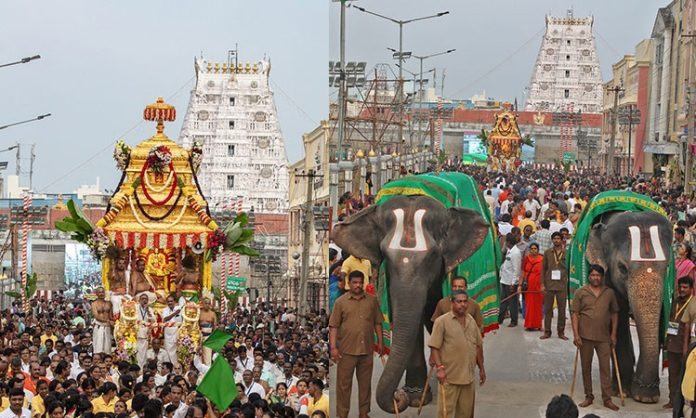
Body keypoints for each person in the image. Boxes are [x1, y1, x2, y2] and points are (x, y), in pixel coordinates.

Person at [329, 271, 383, 418]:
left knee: (365, 385)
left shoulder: (372, 301)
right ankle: (342, 414)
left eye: (360, 282)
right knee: (343, 386)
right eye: (355, 282)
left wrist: (380, 341)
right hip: (346, 351)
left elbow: (378, 322)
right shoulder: (340, 302)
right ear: (349, 283)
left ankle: (364, 413)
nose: (358, 285)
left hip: (367, 350)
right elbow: (333, 326)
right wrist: (333, 348)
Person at [570, 264, 620, 411]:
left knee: (605, 368)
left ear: (602, 277)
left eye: (598, 275)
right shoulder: (581, 292)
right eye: (593, 275)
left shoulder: (609, 293)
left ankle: (607, 399)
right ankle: (589, 396)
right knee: (586, 367)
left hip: (604, 337)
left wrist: (613, 334)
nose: (595, 278)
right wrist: (576, 335)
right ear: (589, 276)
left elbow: (614, 313)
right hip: (585, 337)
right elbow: (575, 314)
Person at [429, 290, 485, 418]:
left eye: (465, 301)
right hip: (449, 377)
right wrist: (440, 368)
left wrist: (482, 368)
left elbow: (478, 346)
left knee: (466, 413)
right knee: (445, 414)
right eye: (459, 301)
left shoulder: (471, 321)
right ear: (452, 303)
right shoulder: (441, 322)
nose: (462, 305)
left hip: (468, 378)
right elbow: (434, 347)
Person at [665, 276, 694, 409]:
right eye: (680, 287)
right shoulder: (675, 301)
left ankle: (683, 403)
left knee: (686, 377)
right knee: (673, 375)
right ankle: (672, 400)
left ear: (691, 288)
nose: (682, 290)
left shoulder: (692, 303)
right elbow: (672, 321)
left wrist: (686, 347)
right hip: (672, 343)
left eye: (685, 288)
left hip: (687, 347)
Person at [540, 232, 569, 340]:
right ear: (552, 240)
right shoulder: (547, 252)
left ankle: (561, 332)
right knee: (548, 310)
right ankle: (547, 331)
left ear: (562, 240)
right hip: (549, 285)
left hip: (562, 285)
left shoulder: (566, 253)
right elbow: (543, 269)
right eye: (554, 238)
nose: (556, 240)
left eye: (558, 238)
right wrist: (542, 284)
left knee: (562, 311)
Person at [498, 233, 522, 327]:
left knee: (512, 302)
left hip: (510, 282)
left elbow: (517, 269)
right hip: (504, 280)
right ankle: (500, 319)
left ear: (508, 242)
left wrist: (513, 283)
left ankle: (514, 320)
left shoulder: (516, 253)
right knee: (503, 301)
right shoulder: (509, 250)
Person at [521, 243, 543, 331]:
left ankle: (538, 324)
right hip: (528, 286)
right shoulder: (526, 259)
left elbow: (545, 273)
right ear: (529, 250)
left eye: (535, 248)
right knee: (529, 305)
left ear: (538, 250)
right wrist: (520, 285)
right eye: (532, 249)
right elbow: (522, 271)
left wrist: (543, 285)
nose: (533, 250)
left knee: (538, 306)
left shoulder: (542, 259)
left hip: (538, 285)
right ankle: (529, 325)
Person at [91, 288, 114, 355]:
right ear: (96, 294)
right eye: (99, 292)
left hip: (107, 327)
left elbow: (110, 316)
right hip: (99, 326)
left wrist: (115, 323)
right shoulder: (94, 304)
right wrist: (108, 321)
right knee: (98, 348)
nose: (101, 294)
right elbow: (96, 316)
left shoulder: (109, 303)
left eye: (102, 292)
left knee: (107, 349)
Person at [160, 296, 182, 367]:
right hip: (168, 333)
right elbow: (165, 319)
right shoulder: (165, 310)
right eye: (168, 301)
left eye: (171, 301)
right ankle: (169, 367)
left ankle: (176, 367)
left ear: (174, 302)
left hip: (176, 332)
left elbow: (181, 320)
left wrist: (177, 312)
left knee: (175, 351)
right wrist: (175, 313)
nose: (170, 303)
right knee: (168, 351)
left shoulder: (178, 308)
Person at [135, 294, 155, 368]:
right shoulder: (135, 307)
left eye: (146, 299)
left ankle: (143, 368)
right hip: (137, 333)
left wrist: (148, 312)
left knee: (144, 353)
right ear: (139, 300)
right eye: (143, 299)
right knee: (137, 353)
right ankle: (137, 368)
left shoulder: (149, 309)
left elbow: (154, 320)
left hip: (146, 334)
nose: (144, 300)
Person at [198, 298, 217, 365]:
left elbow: (214, 326)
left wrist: (213, 338)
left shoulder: (212, 313)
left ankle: (207, 370)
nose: (207, 305)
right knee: (199, 353)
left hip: (209, 335)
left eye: (208, 303)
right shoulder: (199, 312)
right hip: (199, 335)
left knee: (207, 355)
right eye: (205, 303)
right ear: (203, 304)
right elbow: (196, 324)